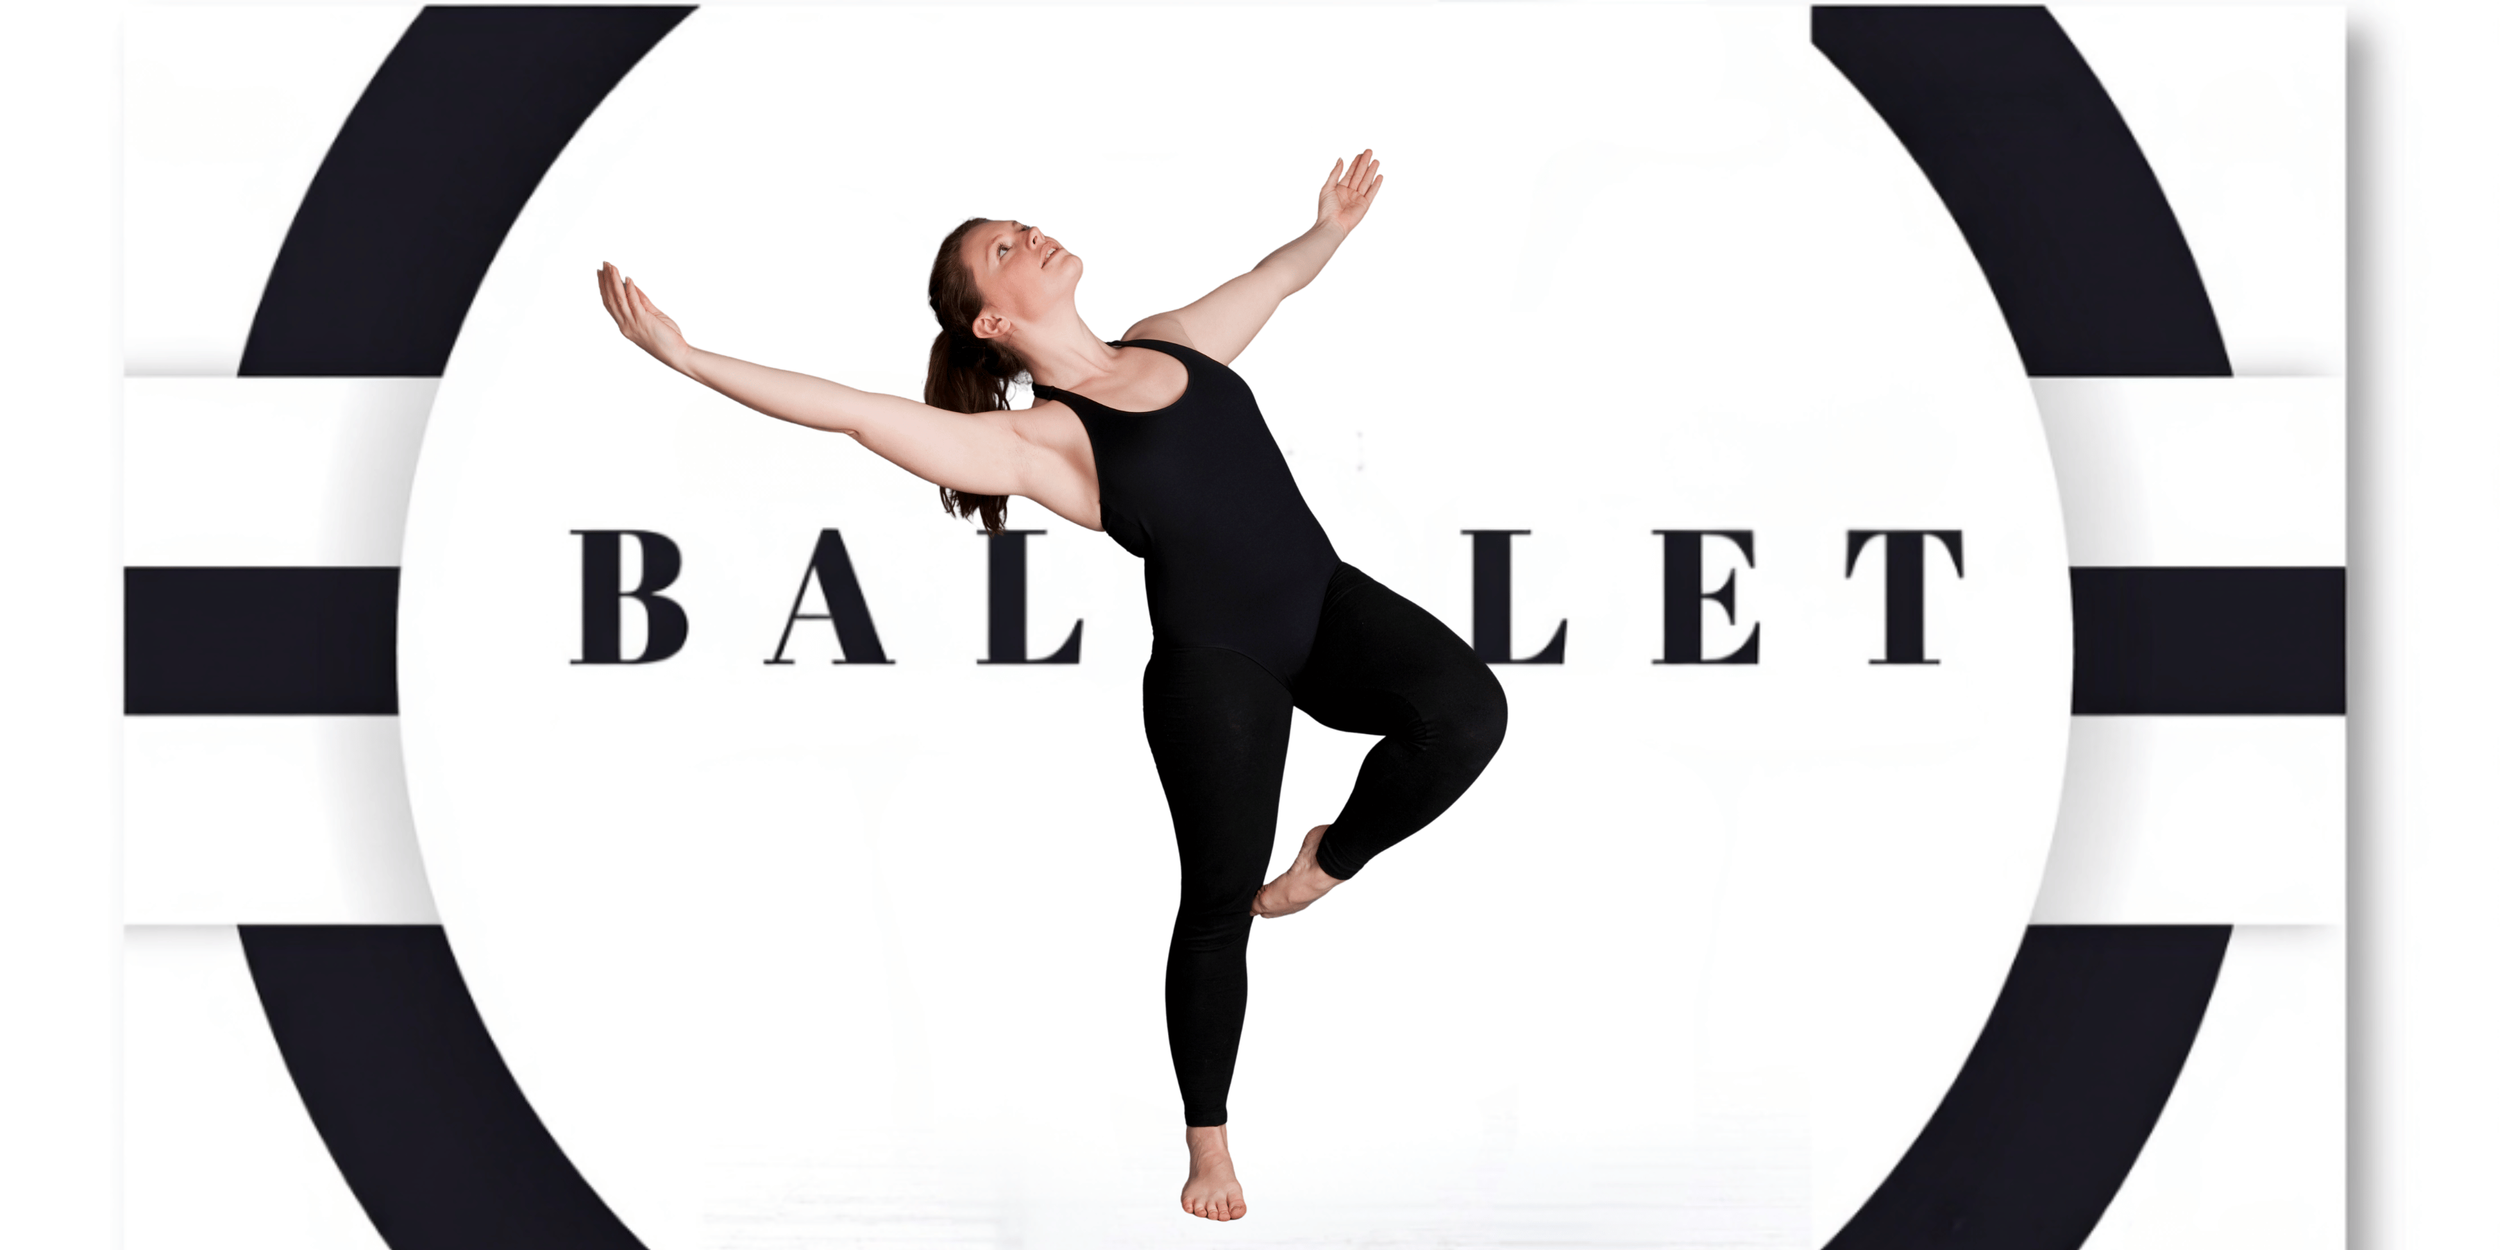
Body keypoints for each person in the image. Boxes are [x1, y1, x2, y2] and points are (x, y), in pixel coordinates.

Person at [595, 149, 1506, 1222]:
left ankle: (1325, 861)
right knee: (1217, 904)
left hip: (1327, 604)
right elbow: (853, 412)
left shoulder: (1172, 339)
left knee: (1468, 713)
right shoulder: (1040, 442)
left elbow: (1271, 282)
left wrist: (1329, 231)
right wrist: (688, 358)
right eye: (1001, 248)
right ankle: (1208, 1146)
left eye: (1018, 224)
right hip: (1221, 667)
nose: (1027, 233)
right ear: (991, 320)